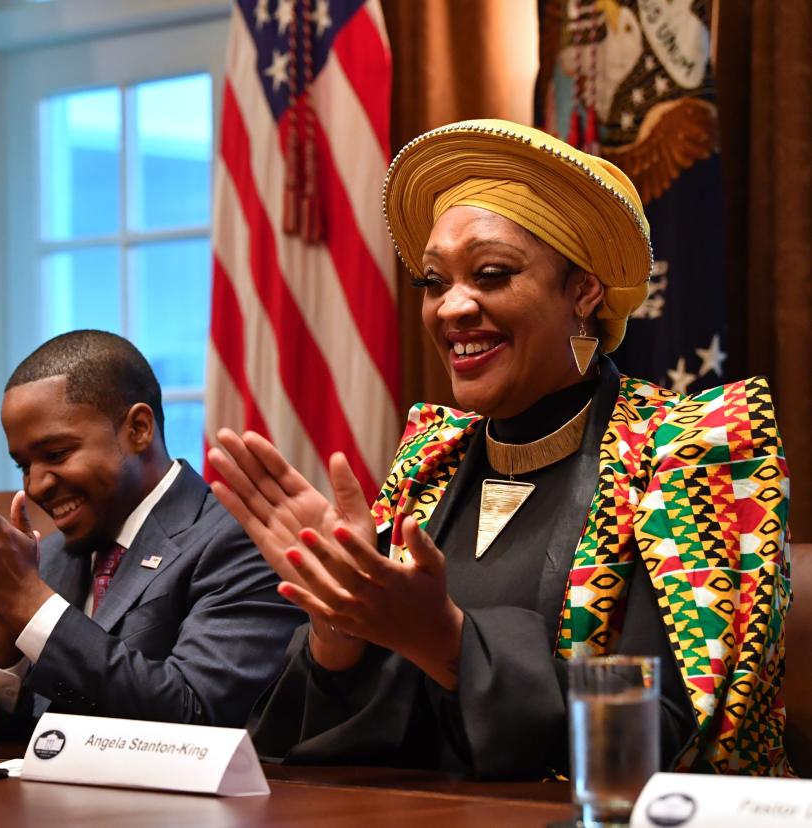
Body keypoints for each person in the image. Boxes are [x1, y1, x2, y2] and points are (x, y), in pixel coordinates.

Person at [208, 119, 791, 778]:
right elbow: (326, 750)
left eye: (490, 273)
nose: (451, 307)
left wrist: (449, 642)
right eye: (433, 281)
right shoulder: (430, 460)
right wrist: (340, 622)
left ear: (584, 289)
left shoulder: (689, 450)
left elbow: (669, 732)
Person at [0, 330, 303, 737]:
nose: (35, 486)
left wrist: (26, 601)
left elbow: (199, 715)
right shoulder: (48, 560)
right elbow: (18, 752)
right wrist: (4, 649)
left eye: (55, 455)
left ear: (138, 429)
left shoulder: (241, 539)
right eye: (23, 465)